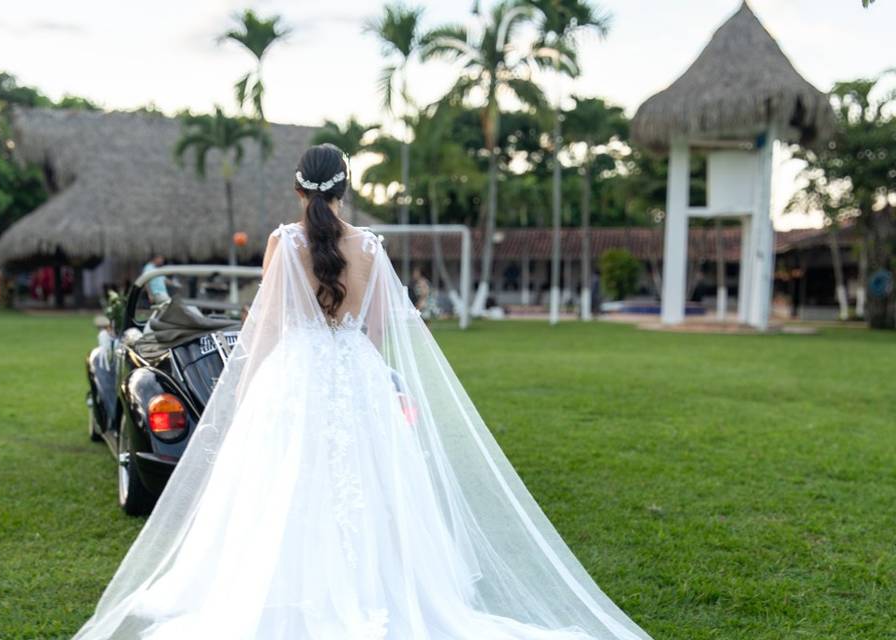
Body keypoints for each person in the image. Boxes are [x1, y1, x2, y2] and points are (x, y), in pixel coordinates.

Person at [73, 145, 652, 640]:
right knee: (367, 483)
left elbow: (266, 331)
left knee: (284, 484)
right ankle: (374, 589)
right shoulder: (371, 248)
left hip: (294, 377)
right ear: (346, 188)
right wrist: (360, 379)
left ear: (298, 188)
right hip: (354, 373)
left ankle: (287, 591)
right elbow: (375, 335)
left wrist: (244, 396)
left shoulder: (283, 242)